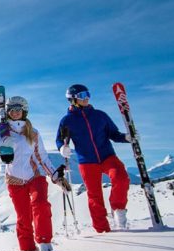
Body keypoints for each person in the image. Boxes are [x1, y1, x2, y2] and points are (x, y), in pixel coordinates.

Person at [0, 96, 66, 251]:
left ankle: (44, 242)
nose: (15, 113)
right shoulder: (0, 130)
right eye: (12, 110)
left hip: (35, 176)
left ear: (24, 111)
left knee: (41, 204)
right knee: (23, 216)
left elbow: (42, 156)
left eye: (18, 109)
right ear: (7, 112)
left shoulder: (33, 132)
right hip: (14, 179)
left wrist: (55, 175)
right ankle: (27, 249)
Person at [56, 84, 134, 232]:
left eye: (87, 94)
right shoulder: (67, 120)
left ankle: (118, 210)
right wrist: (62, 148)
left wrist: (126, 137)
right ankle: (102, 229)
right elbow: (60, 139)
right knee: (94, 196)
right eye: (82, 96)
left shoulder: (100, 115)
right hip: (87, 161)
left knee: (121, 178)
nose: (86, 98)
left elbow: (114, 134)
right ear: (72, 99)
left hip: (107, 156)